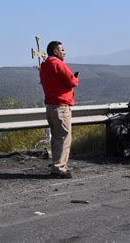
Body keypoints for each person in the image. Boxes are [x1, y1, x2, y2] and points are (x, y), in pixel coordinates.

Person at [40, 41, 79, 178]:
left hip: (50, 106)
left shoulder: (44, 66)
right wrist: (75, 78)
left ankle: (58, 164)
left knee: (56, 138)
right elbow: (73, 81)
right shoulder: (58, 64)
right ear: (55, 51)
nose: (64, 52)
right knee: (64, 137)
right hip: (61, 106)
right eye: (62, 49)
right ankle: (59, 169)